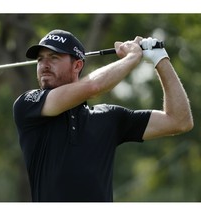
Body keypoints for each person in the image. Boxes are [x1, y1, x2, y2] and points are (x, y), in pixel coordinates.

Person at [13, 29, 193, 202]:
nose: (44, 65)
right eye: (40, 59)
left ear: (77, 65)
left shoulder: (108, 117)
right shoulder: (28, 105)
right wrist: (133, 57)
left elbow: (179, 121)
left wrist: (160, 59)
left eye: (54, 57)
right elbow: (93, 87)